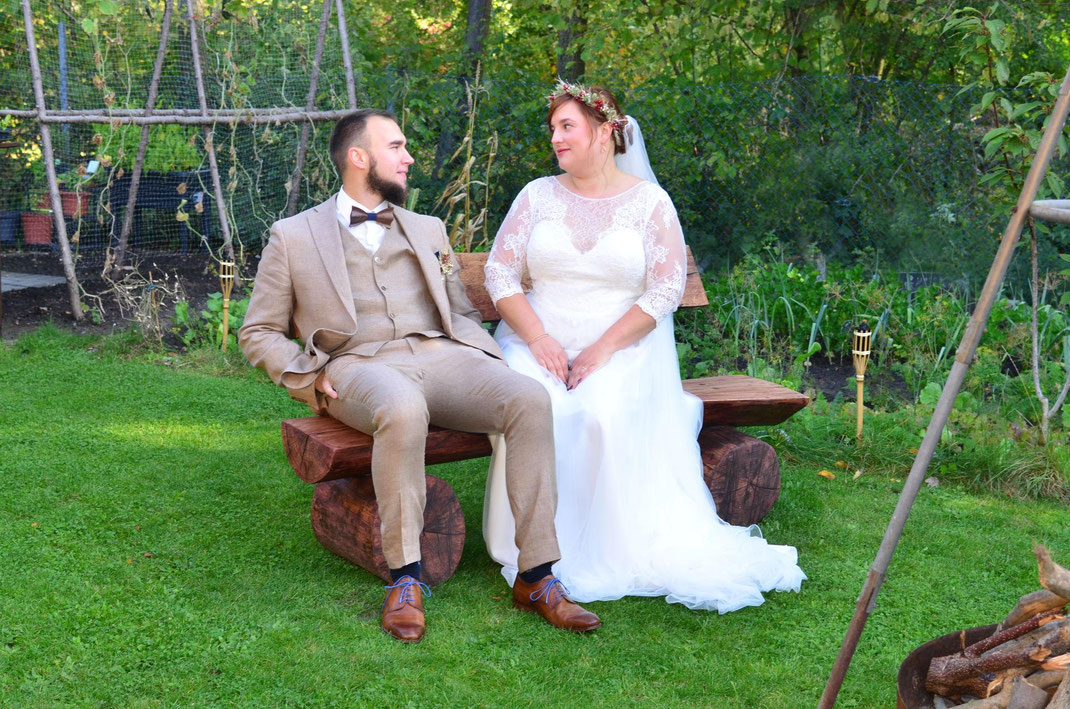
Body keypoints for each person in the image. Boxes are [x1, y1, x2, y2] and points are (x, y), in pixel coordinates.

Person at [239, 108, 601, 642]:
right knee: (403, 409)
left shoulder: (427, 228)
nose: (409, 158)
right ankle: (405, 578)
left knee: (527, 397)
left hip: (441, 356)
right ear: (359, 158)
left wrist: (479, 355)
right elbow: (258, 330)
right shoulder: (294, 236)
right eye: (397, 147)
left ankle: (538, 576)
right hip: (357, 366)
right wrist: (307, 375)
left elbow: (459, 309)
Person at [482, 82, 806, 612]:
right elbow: (499, 271)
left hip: (620, 348)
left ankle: (595, 548)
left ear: (606, 131)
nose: (556, 139)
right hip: (535, 343)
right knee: (537, 406)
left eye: (568, 127)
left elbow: (664, 289)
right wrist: (539, 339)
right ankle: (534, 551)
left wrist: (600, 350)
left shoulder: (650, 203)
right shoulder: (536, 195)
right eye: (553, 129)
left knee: (597, 411)